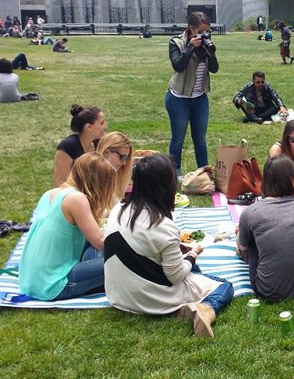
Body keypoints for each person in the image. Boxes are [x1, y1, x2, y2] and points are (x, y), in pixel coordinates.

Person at [104, 153, 233, 337]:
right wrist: (194, 253)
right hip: (151, 299)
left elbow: (140, 247)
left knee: (192, 269)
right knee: (224, 285)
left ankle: (187, 303)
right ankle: (205, 309)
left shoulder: (119, 209)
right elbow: (176, 276)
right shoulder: (162, 226)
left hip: (118, 296)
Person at [19, 152, 116, 301]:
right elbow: (101, 241)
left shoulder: (50, 194)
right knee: (121, 261)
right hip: (55, 284)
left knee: (96, 251)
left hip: (32, 282)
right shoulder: (77, 199)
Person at [236, 156, 294, 301]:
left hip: (269, 290)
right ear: (290, 180)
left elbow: (242, 247)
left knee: (250, 241)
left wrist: (241, 232)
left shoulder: (251, 212)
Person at [165, 11, 219, 174]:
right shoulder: (176, 42)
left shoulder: (206, 43)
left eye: (207, 31)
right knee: (178, 139)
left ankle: (203, 173)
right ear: (191, 28)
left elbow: (214, 69)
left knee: (200, 139)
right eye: (201, 31)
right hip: (178, 98)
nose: (205, 34)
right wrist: (190, 48)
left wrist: (210, 54)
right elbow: (178, 66)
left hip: (200, 98)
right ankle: (176, 174)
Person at [54, 104, 107, 187]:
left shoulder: (99, 143)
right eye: (102, 123)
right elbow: (60, 181)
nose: (105, 126)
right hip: (73, 196)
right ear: (89, 127)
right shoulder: (68, 146)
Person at [96, 132, 134, 202]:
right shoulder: (89, 181)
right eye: (122, 157)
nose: (124, 163)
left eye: (126, 158)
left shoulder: (115, 182)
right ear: (106, 152)